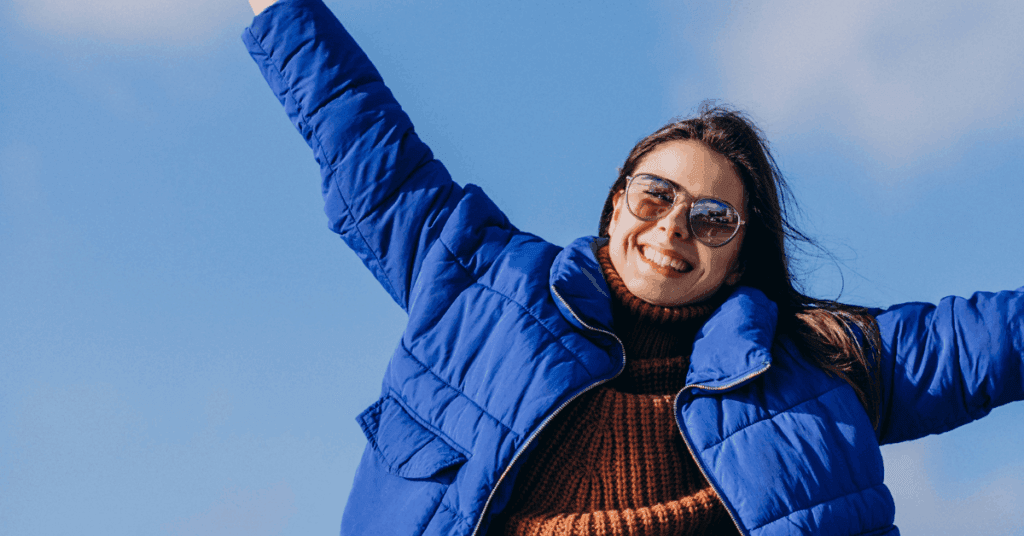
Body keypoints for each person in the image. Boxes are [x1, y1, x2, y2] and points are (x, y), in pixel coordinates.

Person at [242, 0, 1024, 534]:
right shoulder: (480, 284)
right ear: (616, 205)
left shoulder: (816, 362)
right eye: (657, 195)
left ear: (738, 252)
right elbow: (362, 141)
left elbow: (988, 338)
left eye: (712, 218)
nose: (674, 226)